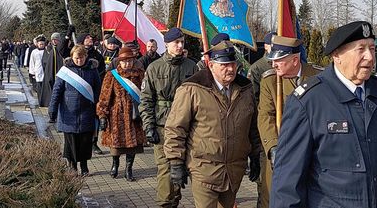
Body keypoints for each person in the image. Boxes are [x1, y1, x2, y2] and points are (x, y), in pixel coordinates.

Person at [271, 21, 377, 208]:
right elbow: (287, 184)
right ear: (337, 55)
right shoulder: (309, 102)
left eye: (371, 48)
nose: (369, 57)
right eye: (361, 49)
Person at [164, 38, 262, 208]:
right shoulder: (192, 89)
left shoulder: (245, 89)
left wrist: (255, 156)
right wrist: (175, 162)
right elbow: (175, 129)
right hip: (204, 169)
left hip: (234, 171)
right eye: (224, 65)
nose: (231, 69)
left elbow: (253, 128)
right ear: (211, 65)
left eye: (233, 64)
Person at [257, 35, 321, 208]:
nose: (273, 64)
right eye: (272, 59)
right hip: (281, 152)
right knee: (272, 199)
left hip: (314, 153)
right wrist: (273, 147)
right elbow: (265, 116)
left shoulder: (318, 76)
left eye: (279, 60)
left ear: (294, 60)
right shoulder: (270, 81)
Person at [139, 28, 197, 208]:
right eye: (176, 43)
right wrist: (148, 126)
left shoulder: (191, 66)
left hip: (187, 126)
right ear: (166, 44)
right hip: (162, 126)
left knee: (183, 167)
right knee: (165, 168)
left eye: (182, 42)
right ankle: (166, 203)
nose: (180, 46)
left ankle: (175, 199)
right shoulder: (154, 67)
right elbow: (146, 99)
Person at [48, 45, 101, 176]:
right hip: (69, 112)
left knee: (85, 142)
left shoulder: (92, 70)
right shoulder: (65, 71)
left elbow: (98, 91)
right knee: (70, 142)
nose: (79, 60)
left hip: (87, 112)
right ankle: (72, 167)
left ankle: (84, 166)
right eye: (77, 58)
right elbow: (57, 91)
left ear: (86, 57)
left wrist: (99, 110)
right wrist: (52, 109)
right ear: (72, 57)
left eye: (82, 58)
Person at [96, 46, 146, 181]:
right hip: (116, 114)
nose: (127, 64)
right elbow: (104, 96)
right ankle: (115, 164)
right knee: (116, 144)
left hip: (134, 114)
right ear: (119, 61)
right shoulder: (112, 75)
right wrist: (102, 115)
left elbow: (146, 94)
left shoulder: (140, 74)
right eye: (124, 61)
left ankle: (129, 169)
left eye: (129, 61)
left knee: (133, 146)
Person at [248, 32, 275, 102]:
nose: (276, 48)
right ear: (266, 46)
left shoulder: (285, 64)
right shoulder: (256, 68)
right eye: (272, 45)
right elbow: (253, 96)